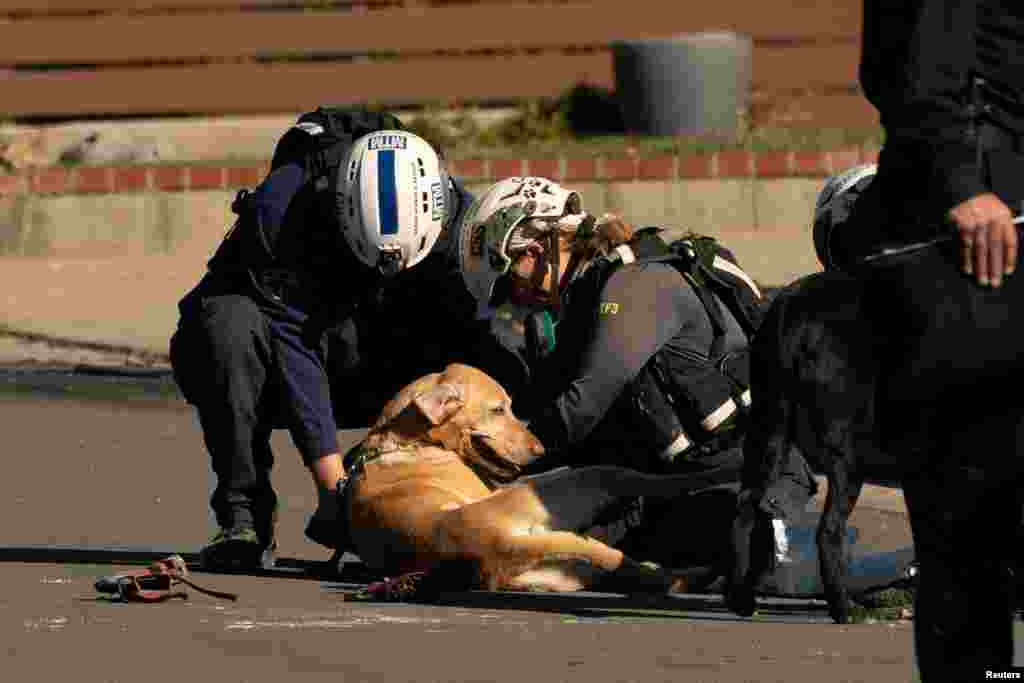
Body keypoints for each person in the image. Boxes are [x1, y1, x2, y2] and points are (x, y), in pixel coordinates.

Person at [457, 176, 817, 571]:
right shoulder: (584, 300)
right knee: (511, 547)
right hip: (673, 486)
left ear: (535, 249)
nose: (516, 299)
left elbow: (582, 406)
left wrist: (486, 462)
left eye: (510, 282)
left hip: (745, 487)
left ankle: (811, 557)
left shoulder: (634, 286)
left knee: (550, 555)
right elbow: (556, 417)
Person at [170, 108, 474, 570]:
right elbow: (294, 346)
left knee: (471, 329)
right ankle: (243, 515)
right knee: (225, 325)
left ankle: (437, 510)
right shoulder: (281, 212)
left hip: (383, 344)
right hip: (284, 355)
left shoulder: (451, 213)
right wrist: (335, 490)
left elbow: (482, 340)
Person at [848, 2, 1024, 678]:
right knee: (970, 523)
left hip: (987, 206)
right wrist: (961, 182)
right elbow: (920, 71)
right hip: (975, 230)